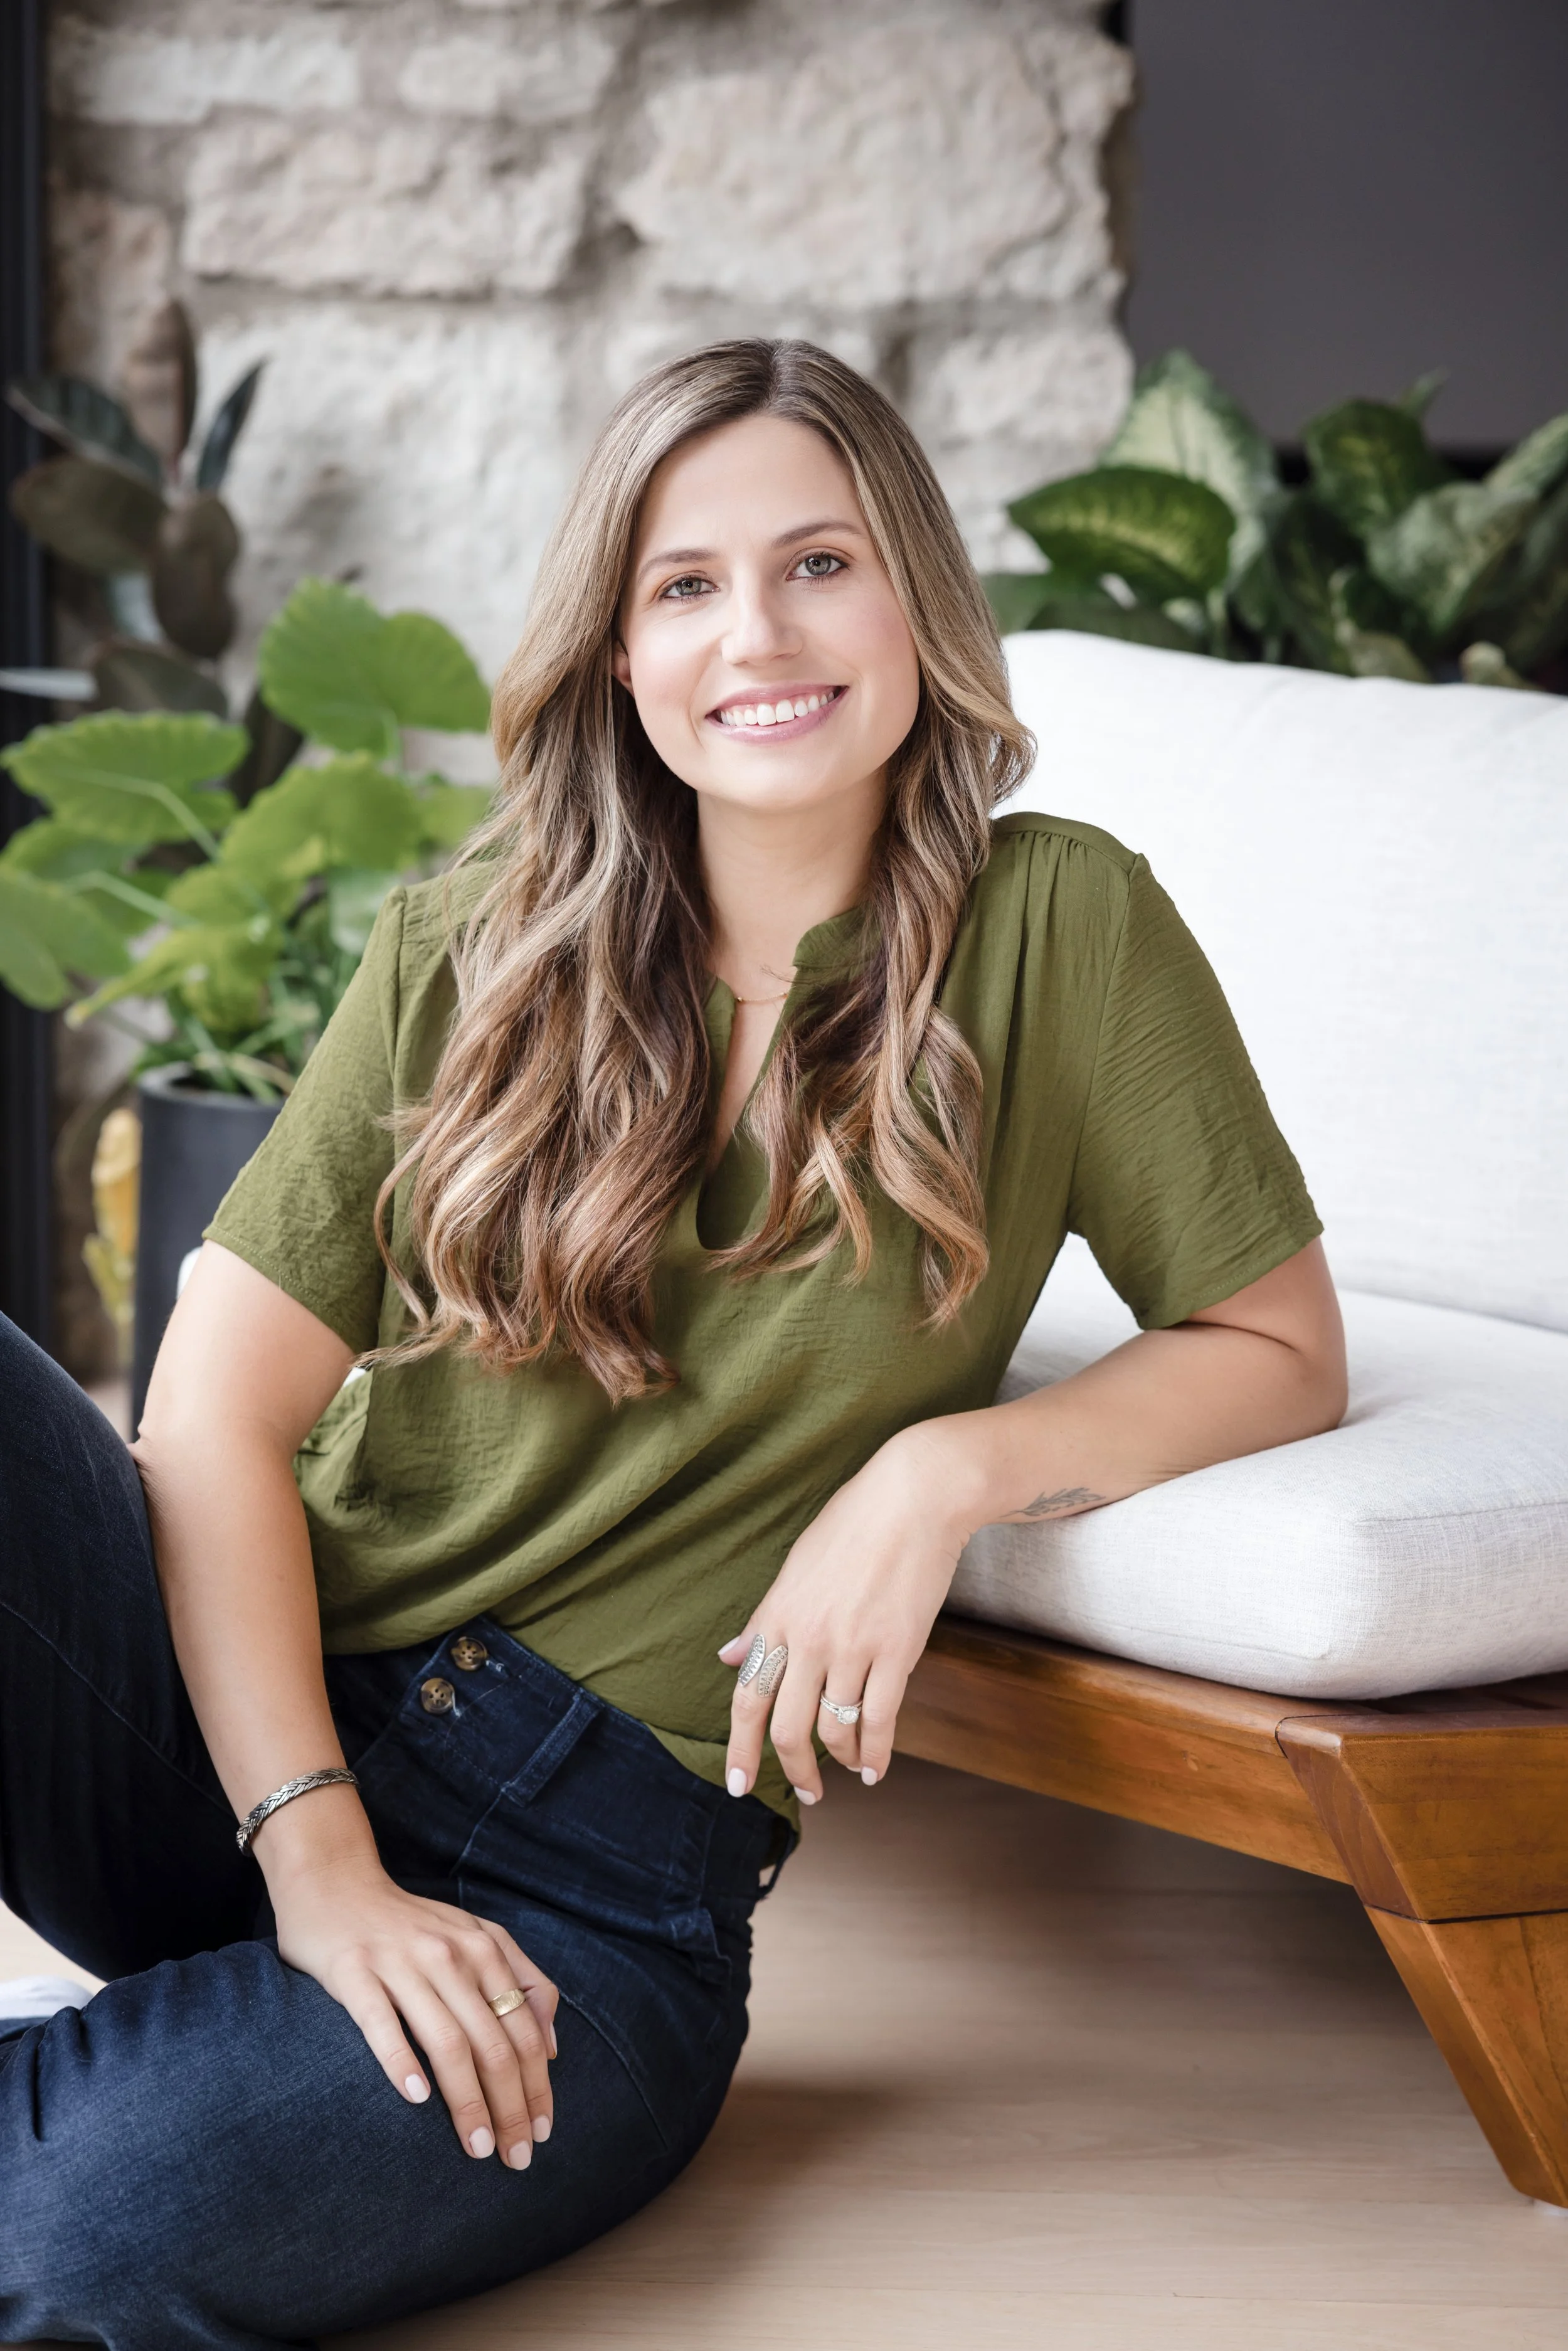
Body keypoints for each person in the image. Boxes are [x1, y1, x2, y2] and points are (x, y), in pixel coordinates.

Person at [0, 339, 1345, 2348]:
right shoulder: (478, 938)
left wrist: (942, 1466)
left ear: (915, 596)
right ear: (618, 657)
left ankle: (227, 2067)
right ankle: (258, 2008)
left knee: (84, 2232)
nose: (760, 634)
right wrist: (323, 1858)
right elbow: (213, 1399)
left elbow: (1274, 1340)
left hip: (590, 1899)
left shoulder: (1062, 930)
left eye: (820, 561)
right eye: (684, 585)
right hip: (243, 1734)